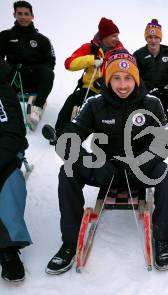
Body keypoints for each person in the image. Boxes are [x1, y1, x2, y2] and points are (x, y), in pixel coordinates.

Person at [45, 50, 168, 274]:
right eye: (116, 78)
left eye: (128, 78)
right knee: (67, 172)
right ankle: (69, 243)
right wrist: (87, 161)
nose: (122, 84)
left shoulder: (152, 103)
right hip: (104, 170)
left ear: (136, 78)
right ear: (108, 79)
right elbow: (69, 138)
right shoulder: (95, 104)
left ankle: (162, 239)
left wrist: (141, 162)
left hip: (139, 170)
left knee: (166, 174)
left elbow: (162, 144)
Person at [50, 17, 124, 138]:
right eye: (114, 36)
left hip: (112, 93)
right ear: (104, 36)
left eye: (117, 35)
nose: (117, 39)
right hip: (89, 90)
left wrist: (105, 82)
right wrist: (91, 59)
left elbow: (128, 71)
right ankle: (58, 133)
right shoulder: (89, 48)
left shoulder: (121, 52)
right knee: (72, 100)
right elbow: (69, 64)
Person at [0, 1, 55, 130]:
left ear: (32, 16)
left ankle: (37, 109)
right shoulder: (5, 36)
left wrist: (33, 69)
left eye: (26, 14)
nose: (23, 17)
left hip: (33, 78)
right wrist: (8, 67)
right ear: (14, 15)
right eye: (20, 14)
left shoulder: (42, 39)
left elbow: (50, 60)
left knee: (48, 72)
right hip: (12, 78)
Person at [0, 60, 32, 283]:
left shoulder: (2, 93)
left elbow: (12, 136)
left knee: (8, 182)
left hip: (5, 153)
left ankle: (8, 247)